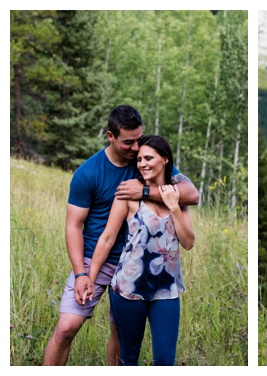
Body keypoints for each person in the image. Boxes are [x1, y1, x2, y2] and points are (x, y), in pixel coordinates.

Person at [43, 105, 199, 366]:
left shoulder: (147, 163)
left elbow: (191, 194)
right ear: (111, 136)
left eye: (139, 139)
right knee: (67, 326)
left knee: (121, 337)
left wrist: (144, 192)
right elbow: (74, 227)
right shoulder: (88, 173)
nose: (137, 148)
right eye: (129, 142)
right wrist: (83, 274)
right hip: (97, 258)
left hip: (136, 264)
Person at [83, 135, 194, 366]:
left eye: (149, 158)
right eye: (140, 159)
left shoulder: (178, 198)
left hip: (166, 290)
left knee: (165, 361)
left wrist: (173, 206)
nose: (142, 163)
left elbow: (188, 242)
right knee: (128, 359)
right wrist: (90, 278)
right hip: (128, 288)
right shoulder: (129, 196)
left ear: (165, 160)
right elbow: (107, 238)